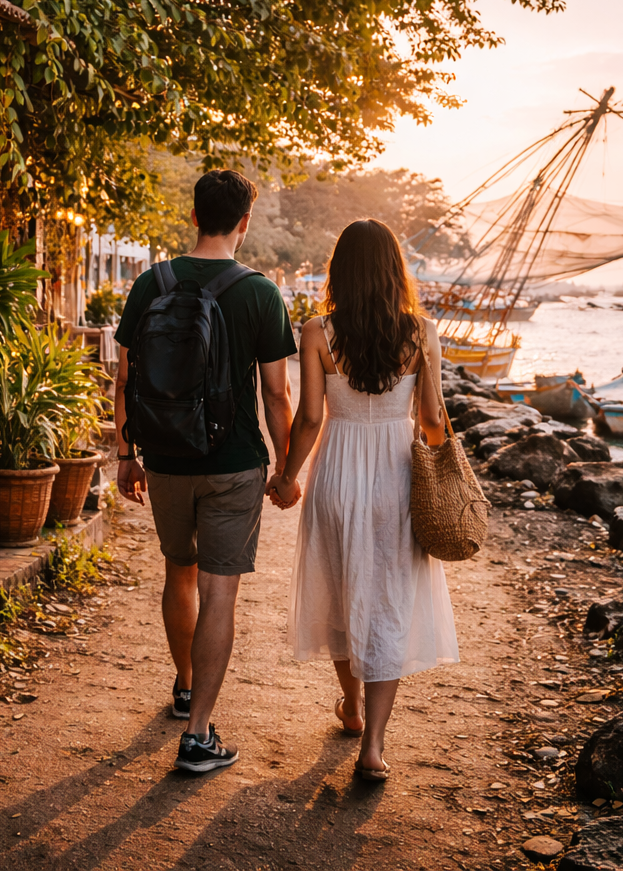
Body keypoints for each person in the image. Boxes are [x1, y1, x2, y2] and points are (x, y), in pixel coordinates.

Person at [113, 169, 297, 773]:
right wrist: (288, 468)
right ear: (244, 221)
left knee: (179, 572)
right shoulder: (260, 293)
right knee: (221, 588)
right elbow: (277, 396)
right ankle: (196, 736)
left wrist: (125, 456)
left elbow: (125, 377)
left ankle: (186, 685)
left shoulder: (150, 283)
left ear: (194, 215)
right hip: (233, 463)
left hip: (165, 459)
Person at [267, 219, 458, 782]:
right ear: (394, 270)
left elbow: (309, 418)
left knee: (341, 584)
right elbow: (430, 421)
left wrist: (286, 477)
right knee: (389, 601)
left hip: (338, 474)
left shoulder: (318, 332)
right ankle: (372, 745)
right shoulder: (421, 331)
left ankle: (349, 706)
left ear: (340, 271)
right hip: (397, 476)